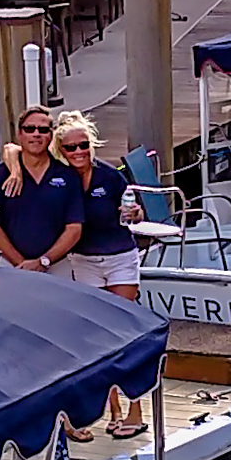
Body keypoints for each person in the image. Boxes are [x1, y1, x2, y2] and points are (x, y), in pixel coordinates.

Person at [28, 115, 148, 437]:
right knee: (100, 338)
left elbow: (135, 212)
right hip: (83, 261)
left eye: (84, 145)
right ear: (61, 150)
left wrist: (135, 213)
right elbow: (17, 151)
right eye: (71, 147)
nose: (79, 151)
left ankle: (135, 409)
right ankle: (114, 410)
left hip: (120, 256)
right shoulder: (61, 180)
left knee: (125, 332)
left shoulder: (110, 177)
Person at [0, 105, 54, 266]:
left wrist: (43, 261)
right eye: (29, 129)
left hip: (57, 264)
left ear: (51, 135)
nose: (36, 134)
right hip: (10, 263)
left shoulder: (66, 172)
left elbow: (74, 227)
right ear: (19, 134)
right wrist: (21, 263)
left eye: (43, 130)